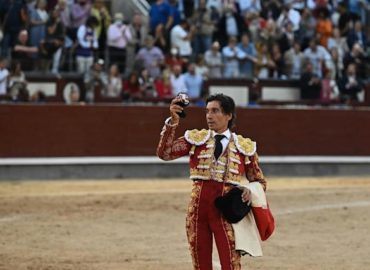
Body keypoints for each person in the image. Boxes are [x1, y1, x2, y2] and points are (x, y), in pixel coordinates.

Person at [157, 93, 267, 270]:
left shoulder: (243, 146)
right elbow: (165, 153)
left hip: (225, 214)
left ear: (229, 115)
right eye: (207, 111)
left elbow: (260, 181)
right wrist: (173, 122)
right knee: (200, 265)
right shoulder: (196, 139)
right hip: (197, 212)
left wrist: (249, 190)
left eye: (215, 111)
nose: (209, 115)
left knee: (230, 264)